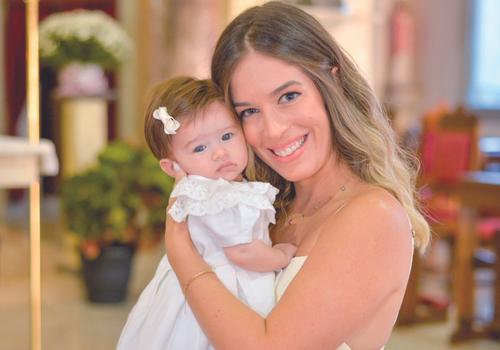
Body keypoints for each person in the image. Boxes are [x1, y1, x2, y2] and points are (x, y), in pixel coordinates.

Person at [164, 2, 431, 349]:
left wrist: (182, 255)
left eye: (288, 96)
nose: (273, 130)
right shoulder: (266, 206)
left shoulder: (372, 216)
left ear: (330, 81)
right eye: (249, 112)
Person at [117, 77, 297, 350]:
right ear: (171, 166)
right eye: (200, 148)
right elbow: (243, 252)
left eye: (227, 136)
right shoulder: (215, 195)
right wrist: (280, 256)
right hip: (220, 291)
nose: (220, 153)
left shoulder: (214, 189)